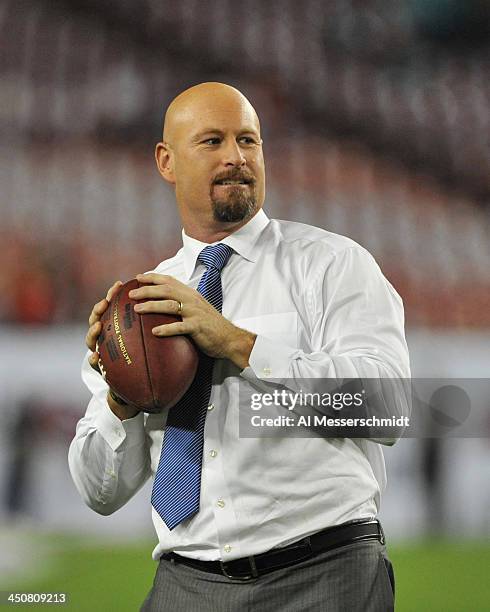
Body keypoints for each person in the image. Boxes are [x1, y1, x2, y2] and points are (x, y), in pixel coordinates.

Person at [69, 82, 410, 611]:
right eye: (212, 142)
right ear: (166, 161)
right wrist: (122, 399)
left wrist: (237, 342)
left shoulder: (333, 265)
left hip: (324, 576)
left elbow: (387, 410)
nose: (236, 157)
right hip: (185, 584)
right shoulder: (138, 306)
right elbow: (100, 494)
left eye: (248, 141)